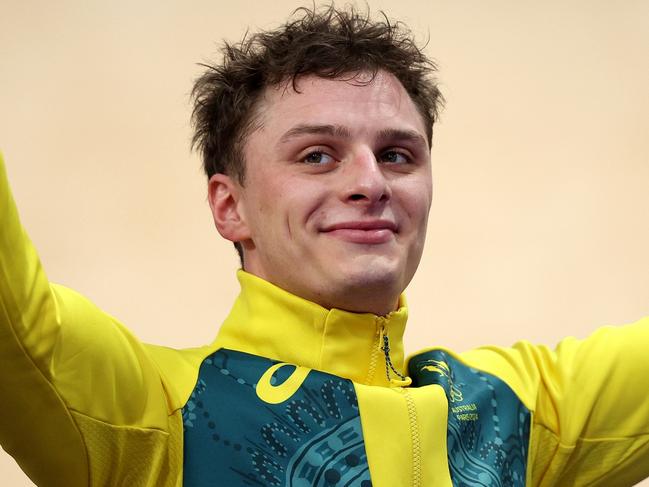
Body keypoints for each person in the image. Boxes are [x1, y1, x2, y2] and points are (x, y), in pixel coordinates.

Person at [1, 5, 648, 487]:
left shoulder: (511, 411)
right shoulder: (157, 409)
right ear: (231, 206)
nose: (369, 182)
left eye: (396, 154)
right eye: (316, 155)